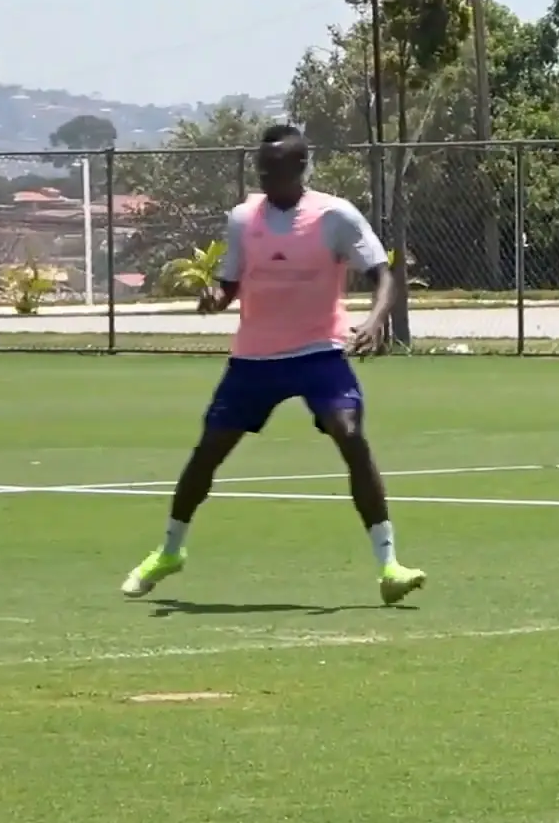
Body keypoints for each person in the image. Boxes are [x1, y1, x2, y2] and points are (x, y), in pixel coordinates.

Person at [121, 124, 426, 605]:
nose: (266, 176)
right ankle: (170, 550)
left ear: (302, 167)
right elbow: (230, 282)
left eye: (276, 168)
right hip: (255, 359)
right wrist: (215, 297)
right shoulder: (244, 219)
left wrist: (373, 320)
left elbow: (383, 274)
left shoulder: (335, 216)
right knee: (208, 452)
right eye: (262, 168)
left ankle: (389, 565)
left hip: (318, 351)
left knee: (350, 435)